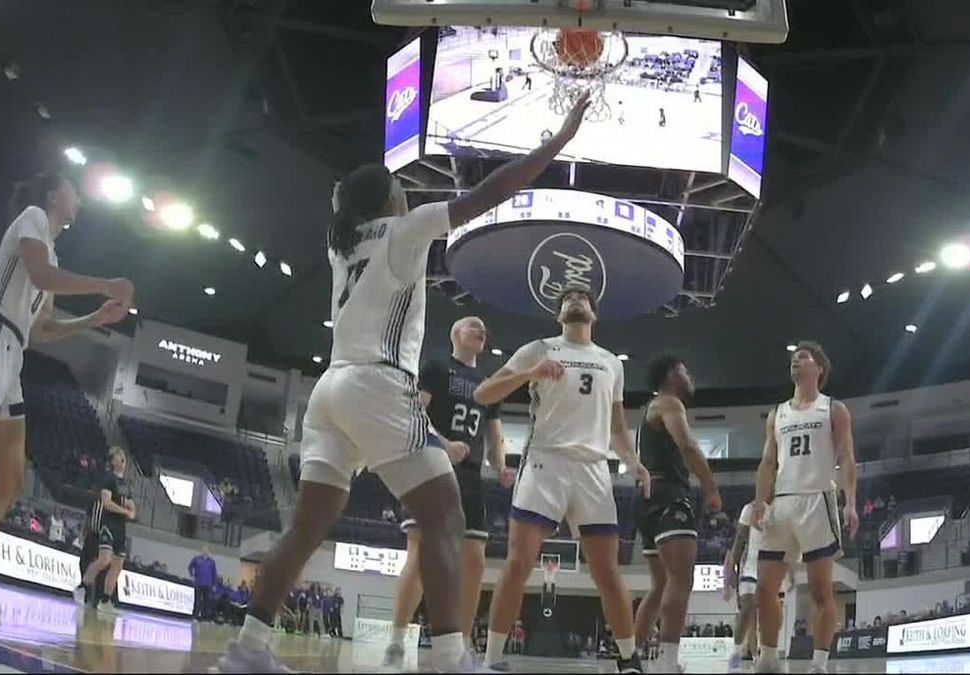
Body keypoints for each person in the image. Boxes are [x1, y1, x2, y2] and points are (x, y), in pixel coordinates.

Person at [214, 94, 591, 673]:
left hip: (330, 390)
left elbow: (347, 202)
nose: (405, 192)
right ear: (391, 198)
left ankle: (248, 649)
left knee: (306, 525)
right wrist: (558, 142)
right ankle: (448, 656)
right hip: (377, 384)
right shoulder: (404, 228)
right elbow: (491, 193)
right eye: (398, 186)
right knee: (445, 517)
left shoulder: (342, 242)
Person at [0, 172, 133, 616]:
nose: (78, 198)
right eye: (73, 190)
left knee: (10, 478)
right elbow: (41, 274)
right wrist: (104, 284)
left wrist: (93, 319)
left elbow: (42, 330)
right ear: (55, 194)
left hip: (14, 349)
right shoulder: (33, 217)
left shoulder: (53, 251)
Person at [473, 284, 652, 673]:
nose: (575, 301)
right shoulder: (539, 349)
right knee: (519, 563)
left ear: (594, 314)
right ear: (559, 316)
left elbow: (618, 428)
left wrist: (633, 460)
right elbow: (484, 393)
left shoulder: (612, 363)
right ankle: (492, 660)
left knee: (607, 572)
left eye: (583, 298)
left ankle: (629, 660)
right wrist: (530, 373)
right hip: (545, 463)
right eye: (568, 299)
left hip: (593, 469)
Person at [385, 316, 514, 667]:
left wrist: (500, 466)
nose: (481, 330)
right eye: (473, 325)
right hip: (433, 463)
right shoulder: (437, 368)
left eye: (484, 328)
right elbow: (415, 411)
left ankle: (462, 647)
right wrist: (443, 442)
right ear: (455, 333)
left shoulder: (488, 384)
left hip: (471, 476)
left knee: (474, 558)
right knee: (421, 551)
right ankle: (397, 639)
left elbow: (494, 432)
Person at [752, 341, 858, 674]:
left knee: (819, 590)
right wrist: (759, 501)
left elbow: (847, 460)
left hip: (818, 500)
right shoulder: (777, 413)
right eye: (793, 359)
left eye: (803, 357)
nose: (796, 361)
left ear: (819, 368)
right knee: (764, 589)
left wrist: (851, 502)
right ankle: (768, 658)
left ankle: (819, 663)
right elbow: (768, 462)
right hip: (782, 502)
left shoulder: (833, 409)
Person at [631, 356, 722, 672]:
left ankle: (630, 658)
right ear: (671, 375)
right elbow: (688, 445)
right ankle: (668, 663)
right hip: (669, 492)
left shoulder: (650, 408)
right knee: (681, 579)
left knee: (659, 586)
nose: (689, 373)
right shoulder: (669, 402)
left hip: (647, 496)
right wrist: (710, 487)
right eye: (684, 369)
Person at [74, 447, 136, 609]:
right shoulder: (108, 479)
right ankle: (82, 587)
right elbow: (107, 503)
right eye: (118, 458)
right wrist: (125, 511)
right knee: (104, 560)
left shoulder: (126, 483)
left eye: (123, 458)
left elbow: (130, 502)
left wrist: (132, 510)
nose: (121, 461)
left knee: (117, 565)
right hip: (108, 524)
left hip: (121, 527)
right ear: (112, 461)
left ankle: (107, 600)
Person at [726, 500, 762, 671]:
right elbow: (739, 538)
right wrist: (732, 565)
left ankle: (759, 655)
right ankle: (736, 652)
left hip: (772, 566)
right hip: (750, 566)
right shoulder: (750, 508)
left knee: (764, 615)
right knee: (747, 609)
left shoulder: (783, 506)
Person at [189, 546, 218, 621]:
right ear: (201, 551)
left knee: (207, 602)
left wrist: (214, 584)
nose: (205, 552)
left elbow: (214, 573)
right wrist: (192, 575)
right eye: (204, 550)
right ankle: (195, 616)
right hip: (199, 583)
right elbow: (190, 567)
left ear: (208, 552)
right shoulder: (196, 559)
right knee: (197, 600)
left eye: (207, 551)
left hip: (208, 584)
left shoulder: (212, 562)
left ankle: (205, 617)